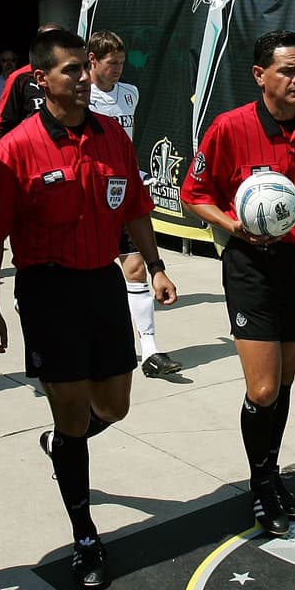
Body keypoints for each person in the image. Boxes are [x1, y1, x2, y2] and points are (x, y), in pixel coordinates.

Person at [0, 28, 177, 589]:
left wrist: (156, 266)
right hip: (47, 291)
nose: (84, 78)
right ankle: (85, 536)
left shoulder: (113, 136)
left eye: (85, 67)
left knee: (114, 408)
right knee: (68, 412)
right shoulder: (14, 150)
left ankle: (63, 443)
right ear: (41, 81)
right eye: (71, 70)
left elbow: (134, 206)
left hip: (102, 284)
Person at [180, 30, 295, 536]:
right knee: (262, 388)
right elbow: (192, 194)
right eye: (287, 70)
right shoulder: (229, 127)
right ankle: (260, 484)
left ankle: (269, 474)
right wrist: (230, 224)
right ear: (260, 75)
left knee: (283, 383)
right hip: (250, 265)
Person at [86, 30, 183, 379]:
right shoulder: (82, 96)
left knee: (136, 268)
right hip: (91, 200)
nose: (118, 70)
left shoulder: (130, 94)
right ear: (92, 61)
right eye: (111, 64)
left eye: (122, 64)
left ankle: (151, 352)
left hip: (124, 193)